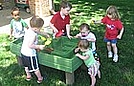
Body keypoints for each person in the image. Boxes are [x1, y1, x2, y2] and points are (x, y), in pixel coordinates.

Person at [21, 16, 46, 83]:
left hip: (23, 52)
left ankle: (28, 76)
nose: (40, 29)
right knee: (35, 67)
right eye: (40, 28)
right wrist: (39, 46)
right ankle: (40, 78)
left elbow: (38, 32)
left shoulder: (29, 30)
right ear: (35, 28)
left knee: (26, 66)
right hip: (30, 54)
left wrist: (45, 34)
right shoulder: (33, 35)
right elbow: (30, 45)